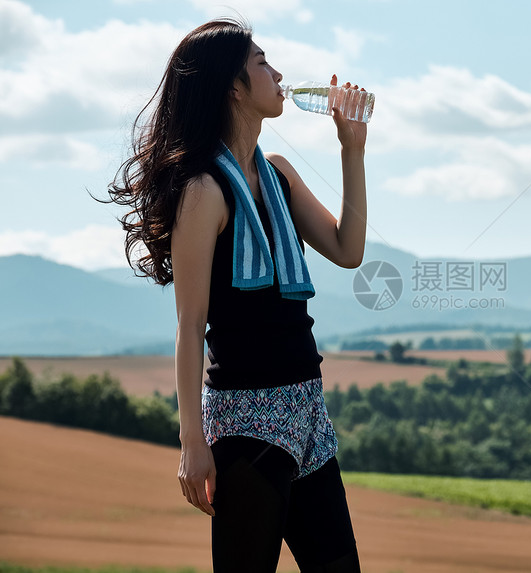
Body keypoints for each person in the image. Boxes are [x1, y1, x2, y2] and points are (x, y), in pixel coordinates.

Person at [106, 18, 367, 572]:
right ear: (233, 87)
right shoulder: (202, 189)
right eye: (262, 63)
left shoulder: (280, 175)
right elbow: (189, 323)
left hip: (308, 412)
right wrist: (192, 443)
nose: (278, 74)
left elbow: (348, 250)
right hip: (246, 419)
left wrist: (352, 148)